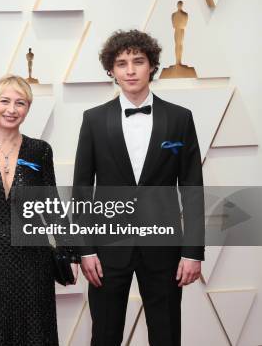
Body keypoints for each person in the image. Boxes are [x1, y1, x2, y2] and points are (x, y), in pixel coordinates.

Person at [73, 29, 204, 345]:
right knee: (104, 334)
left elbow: (192, 187)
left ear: (152, 66)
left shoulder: (180, 119)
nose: (130, 70)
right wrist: (85, 249)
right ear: (111, 71)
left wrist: (193, 252)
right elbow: (81, 188)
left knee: (166, 334)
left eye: (138, 61)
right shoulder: (93, 119)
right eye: (121, 63)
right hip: (106, 250)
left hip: (164, 248)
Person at [0, 74, 79, 346]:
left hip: (34, 260)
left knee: (36, 333)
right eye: (5, 101)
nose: (12, 109)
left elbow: (51, 205)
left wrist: (69, 251)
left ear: (28, 109)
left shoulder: (39, 150)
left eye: (20, 103)